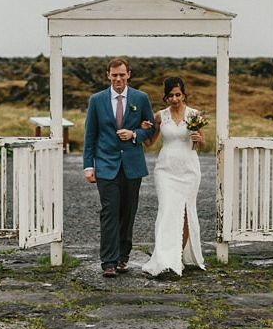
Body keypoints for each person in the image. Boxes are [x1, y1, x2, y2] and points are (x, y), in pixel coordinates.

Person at [83, 58, 156, 278]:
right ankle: (108, 262)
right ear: (108, 75)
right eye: (114, 75)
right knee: (109, 212)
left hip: (132, 165)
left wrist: (135, 133)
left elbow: (151, 128)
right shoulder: (96, 100)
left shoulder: (140, 98)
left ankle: (124, 256)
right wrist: (88, 166)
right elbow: (90, 135)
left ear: (129, 75)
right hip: (106, 165)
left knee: (128, 213)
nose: (118, 79)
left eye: (122, 75)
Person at [141, 76, 206, 277]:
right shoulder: (160, 116)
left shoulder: (195, 115)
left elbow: (201, 145)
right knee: (168, 210)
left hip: (189, 169)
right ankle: (164, 258)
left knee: (186, 212)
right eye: (170, 95)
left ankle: (177, 256)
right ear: (166, 97)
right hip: (166, 170)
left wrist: (200, 139)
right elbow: (150, 143)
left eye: (178, 94)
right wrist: (144, 130)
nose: (175, 99)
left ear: (184, 94)